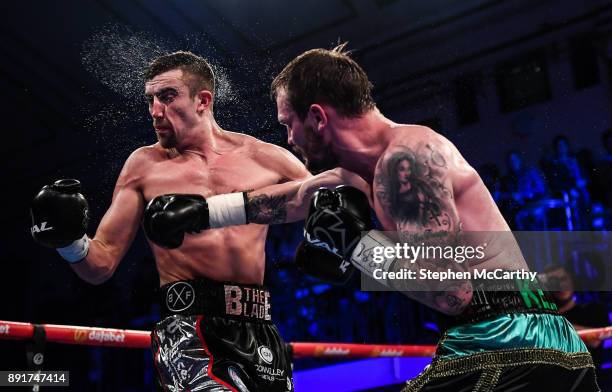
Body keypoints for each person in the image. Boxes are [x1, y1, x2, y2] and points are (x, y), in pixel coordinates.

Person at [144, 44, 601, 391]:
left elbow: (453, 293)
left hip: (505, 341)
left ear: (318, 117)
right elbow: (292, 199)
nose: (289, 138)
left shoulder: (409, 160)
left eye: (289, 123)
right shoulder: (362, 171)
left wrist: (358, 247)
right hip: (533, 345)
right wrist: (203, 212)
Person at [29, 51, 367, 392]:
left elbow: (332, 201)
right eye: (150, 100)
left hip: (261, 328)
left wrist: (336, 247)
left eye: (167, 97)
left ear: (203, 100)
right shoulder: (143, 166)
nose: (155, 111)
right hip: (188, 329)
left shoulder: (265, 158)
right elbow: (100, 264)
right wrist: (69, 241)